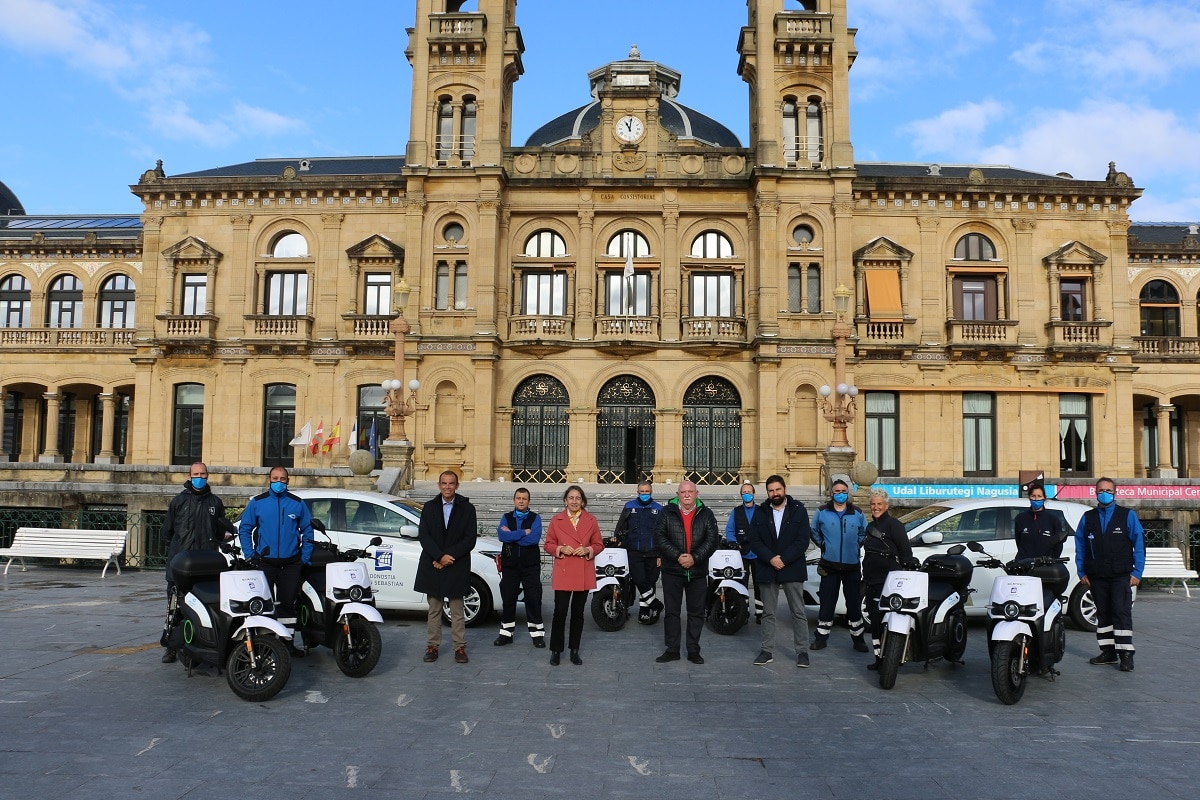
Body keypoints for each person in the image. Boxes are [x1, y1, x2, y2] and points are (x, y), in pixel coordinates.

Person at [159, 461, 235, 663]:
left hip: (206, 568)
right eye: (196, 474)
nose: (200, 477)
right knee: (175, 609)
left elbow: (220, 530)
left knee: (203, 609)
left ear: (207, 476)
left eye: (203, 474)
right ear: (189, 476)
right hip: (181, 567)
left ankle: (202, 646)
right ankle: (172, 648)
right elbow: (167, 533)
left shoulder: (215, 503)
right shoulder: (178, 502)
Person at [238, 466, 314, 658]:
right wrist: (249, 554)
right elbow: (245, 529)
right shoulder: (258, 502)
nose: (279, 482)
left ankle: (287, 644)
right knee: (263, 605)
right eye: (275, 478)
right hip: (265, 564)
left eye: (282, 479)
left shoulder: (297, 504)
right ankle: (265, 646)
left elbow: (308, 531)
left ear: (288, 481)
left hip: (291, 564)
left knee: (288, 606)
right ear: (268, 480)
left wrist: (304, 557)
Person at [1075, 477, 1145, 672]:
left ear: (1115, 493)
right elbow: (1080, 545)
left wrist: (1137, 572)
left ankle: (1125, 655)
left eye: (1108, 490)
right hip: (1097, 575)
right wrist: (1081, 570)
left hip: (1120, 575)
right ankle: (1108, 652)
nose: (1104, 493)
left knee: (1121, 613)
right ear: (1095, 493)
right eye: (1100, 490)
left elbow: (1139, 544)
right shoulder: (1088, 518)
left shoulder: (1127, 516)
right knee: (1103, 614)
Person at [747, 475, 813, 668]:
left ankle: (802, 652)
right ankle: (767, 650)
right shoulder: (760, 512)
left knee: (798, 612)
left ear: (784, 489)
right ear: (767, 492)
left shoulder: (798, 510)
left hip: (792, 566)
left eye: (778, 489)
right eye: (771, 491)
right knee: (768, 612)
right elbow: (754, 540)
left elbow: (803, 540)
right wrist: (771, 558)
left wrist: (784, 559)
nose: (775, 493)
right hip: (768, 567)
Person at [652, 480, 720, 664]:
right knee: (672, 612)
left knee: (696, 613)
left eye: (690, 491)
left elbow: (712, 540)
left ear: (697, 493)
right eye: (683, 492)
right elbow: (659, 537)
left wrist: (695, 558)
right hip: (672, 570)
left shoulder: (706, 514)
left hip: (697, 572)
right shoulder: (666, 512)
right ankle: (672, 649)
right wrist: (678, 556)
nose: (687, 495)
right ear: (677, 494)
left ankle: (693, 650)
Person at [416, 471, 478, 664]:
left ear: (457, 486)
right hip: (433, 564)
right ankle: (432, 646)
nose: (447, 487)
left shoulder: (467, 508)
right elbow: (424, 536)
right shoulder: (429, 507)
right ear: (439, 485)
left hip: (456, 564)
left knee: (457, 610)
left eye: (451, 483)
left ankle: (459, 648)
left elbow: (470, 539)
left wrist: (448, 557)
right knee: (434, 609)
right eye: (444, 483)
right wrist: (439, 556)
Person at [544, 485, 604, 665]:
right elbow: (548, 544)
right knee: (560, 612)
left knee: (578, 613)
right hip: (564, 571)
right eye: (571, 498)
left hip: (583, 571)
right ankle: (556, 650)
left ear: (583, 501)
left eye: (578, 498)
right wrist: (560, 548)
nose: (574, 501)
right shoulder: (557, 520)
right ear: (565, 501)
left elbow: (599, 544)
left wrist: (588, 549)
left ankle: (574, 650)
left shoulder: (591, 520)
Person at [810, 478, 869, 653]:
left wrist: (855, 546)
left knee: (854, 603)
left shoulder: (857, 513)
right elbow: (814, 531)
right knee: (827, 602)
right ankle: (821, 637)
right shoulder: (822, 512)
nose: (841, 494)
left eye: (844, 491)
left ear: (847, 493)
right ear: (831, 493)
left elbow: (863, 533)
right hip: (829, 565)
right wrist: (825, 546)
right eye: (837, 491)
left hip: (851, 566)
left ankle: (858, 639)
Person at [861, 488, 913, 671]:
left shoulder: (894, 525)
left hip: (888, 582)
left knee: (884, 621)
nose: (876, 507)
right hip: (871, 581)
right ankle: (878, 659)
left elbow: (906, 553)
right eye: (873, 504)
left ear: (887, 505)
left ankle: (889, 659)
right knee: (874, 623)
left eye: (879, 504)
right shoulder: (869, 527)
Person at [494, 487, 545, 648]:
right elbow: (502, 536)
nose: (521, 501)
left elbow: (533, 539)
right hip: (510, 566)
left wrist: (513, 535)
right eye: (518, 498)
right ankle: (506, 633)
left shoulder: (536, 518)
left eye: (524, 498)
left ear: (528, 501)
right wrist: (523, 532)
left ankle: (537, 634)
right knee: (508, 599)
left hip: (530, 565)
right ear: (514, 500)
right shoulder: (506, 517)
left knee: (533, 598)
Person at [610, 481, 664, 624]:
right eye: (642, 491)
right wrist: (617, 539)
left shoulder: (659, 509)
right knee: (640, 581)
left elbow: (663, 533)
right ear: (637, 491)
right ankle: (656, 605)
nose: (644, 494)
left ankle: (645, 612)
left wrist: (661, 554)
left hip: (653, 553)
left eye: (647, 491)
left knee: (650, 582)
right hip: (634, 552)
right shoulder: (629, 507)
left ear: (651, 492)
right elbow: (620, 527)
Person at [724, 482, 763, 623]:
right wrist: (734, 544)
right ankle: (743, 612)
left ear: (754, 494)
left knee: (760, 584)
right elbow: (729, 530)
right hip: (742, 554)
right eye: (744, 492)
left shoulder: (761, 511)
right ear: (741, 495)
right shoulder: (736, 511)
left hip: (758, 554)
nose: (747, 494)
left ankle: (760, 612)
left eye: (749, 492)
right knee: (742, 584)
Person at [1014, 483, 1064, 560]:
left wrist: (1051, 561)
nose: (1036, 499)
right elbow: (1018, 541)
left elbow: (1058, 546)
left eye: (1039, 496)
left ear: (1044, 498)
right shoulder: (1020, 518)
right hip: (1025, 566)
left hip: (1045, 568)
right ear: (1029, 498)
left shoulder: (1053, 520)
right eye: (1033, 496)